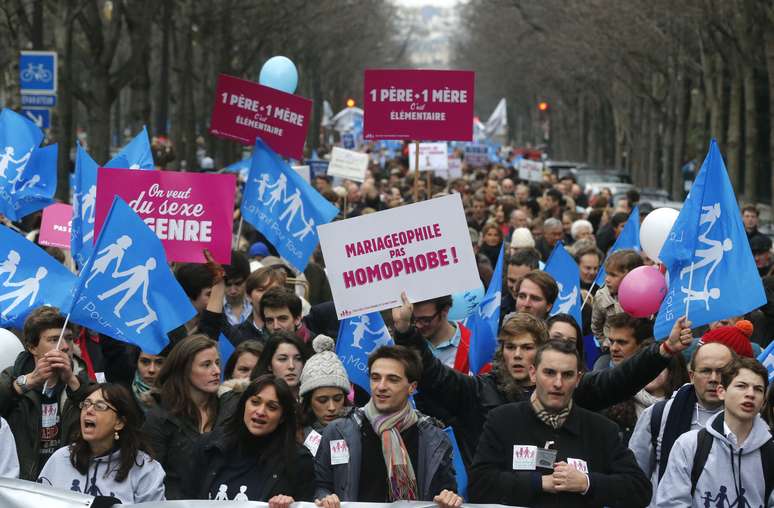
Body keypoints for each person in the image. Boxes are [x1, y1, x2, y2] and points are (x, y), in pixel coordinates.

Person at [393, 293, 693, 470]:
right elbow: (433, 374)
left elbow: (617, 381)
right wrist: (407, 331)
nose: (518, 355)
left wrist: (662, 351)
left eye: (527, 348)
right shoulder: (476, 390)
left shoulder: (563, 389)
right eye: (511, 348)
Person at [469, 340, 652, 507]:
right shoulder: (502, 420)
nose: (558, 383)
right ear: (533, 374)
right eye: (549, 373)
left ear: (578, 379)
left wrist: (586, 483)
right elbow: (479, 485)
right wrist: (538, 483)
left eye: (567, 375)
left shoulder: (601, 430)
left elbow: (639, 490)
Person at [314, 345, 462, 508]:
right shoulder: (338, 431)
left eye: (392, 379)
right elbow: (321, 485)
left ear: (412, 387)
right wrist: (326, 498)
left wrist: (448, 497)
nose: (381, 386)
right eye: (375, 378)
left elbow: (446, 489)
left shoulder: (434, 437)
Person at [628, 339, 736, 506]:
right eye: (706, 371)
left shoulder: (746, 421)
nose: (714, 379)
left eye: (722, 371)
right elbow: (635, 477)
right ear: (692, 376)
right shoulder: (659, 415)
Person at [655, 357, 773, 507]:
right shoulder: (690, 444)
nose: (750, 394)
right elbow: (671, 503)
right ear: (722, 392)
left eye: (758, 389)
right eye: (741, 386)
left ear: (763, 401)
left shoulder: (769, 451)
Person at [186, 375, 315, 502]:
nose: (260, 412)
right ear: (244, 405)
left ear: (282, 417)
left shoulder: (299, 461)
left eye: (272, 407)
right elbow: (186, 499)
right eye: (255, 402)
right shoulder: (209, 446)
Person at [0, 307, 91, 480]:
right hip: (21, 484)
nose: (64, 347)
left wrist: (72, 381)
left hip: (65, 484)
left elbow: (100, 417)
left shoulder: (81, 382)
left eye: (69, 338)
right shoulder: (11, 376)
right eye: (54, 339)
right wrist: (27, 382)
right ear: (32, 347)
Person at [37, 384, 165, 503]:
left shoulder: (145, 470)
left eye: (100, 406)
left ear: (119, 422)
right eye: (86, 404)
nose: (89, 410)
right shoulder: (60, 459)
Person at [141, 334, 233, 499]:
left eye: (217, 363)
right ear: (184, 369)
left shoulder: (229, 408)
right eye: (206, 365)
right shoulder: (160, 417)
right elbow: (150, 478)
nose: (217, 371)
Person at [199, 254, 286, 346]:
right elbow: (209, 333)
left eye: (273, 290)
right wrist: (219, 280)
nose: (268, 294)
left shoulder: (294, 330)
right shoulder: (237, 335)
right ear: (249, 295)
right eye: (261, 290)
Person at [299, 335, 351, 446]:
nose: (332, 407)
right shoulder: (292, 436)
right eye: (322, 400)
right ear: (308, 401)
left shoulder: (359, 429)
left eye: (337, 399)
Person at [591, 249, 643, 342]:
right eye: (607, 274)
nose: (607, 279)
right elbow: (596, 326)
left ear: (631, 276)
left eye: (613, 275)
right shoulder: (601, 296)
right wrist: (604, 343)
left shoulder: (645, 295)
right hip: (612, 346)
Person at [251, 331, 310, 399]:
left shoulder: (313, 398)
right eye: (283, 359)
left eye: (298, 359)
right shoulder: (254, 398)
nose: (291, 366)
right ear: (269, 365)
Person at [222, 251, 252, 326]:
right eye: (227, 284)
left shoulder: (256, 305)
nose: (233, 291)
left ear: (247, 279)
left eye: (238, 284)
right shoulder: (213, 309)